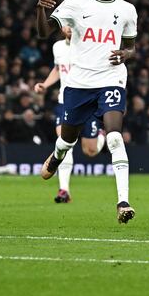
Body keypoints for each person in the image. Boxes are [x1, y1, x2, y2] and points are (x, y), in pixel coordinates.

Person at [35, 0, 138, 223]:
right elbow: (43, 32)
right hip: (79, 84)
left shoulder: (127, 10)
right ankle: (58, 155)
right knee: (68, 141)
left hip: (111, 79)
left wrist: (124, 54)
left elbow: (131, 47)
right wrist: (40, 10)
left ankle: (123, 202)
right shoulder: (76, 2)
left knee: (114, 137)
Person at [34, 26, 106, 203]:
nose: (70, 29)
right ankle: (64, 190)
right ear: (62, 27)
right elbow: (59, 69)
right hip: (65, 102)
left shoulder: (87, 46)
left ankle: (101, 136)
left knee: (90, 151)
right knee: (65, 143)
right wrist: (45, 84)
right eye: (67, 25)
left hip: (87, 101)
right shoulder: (57, 47)